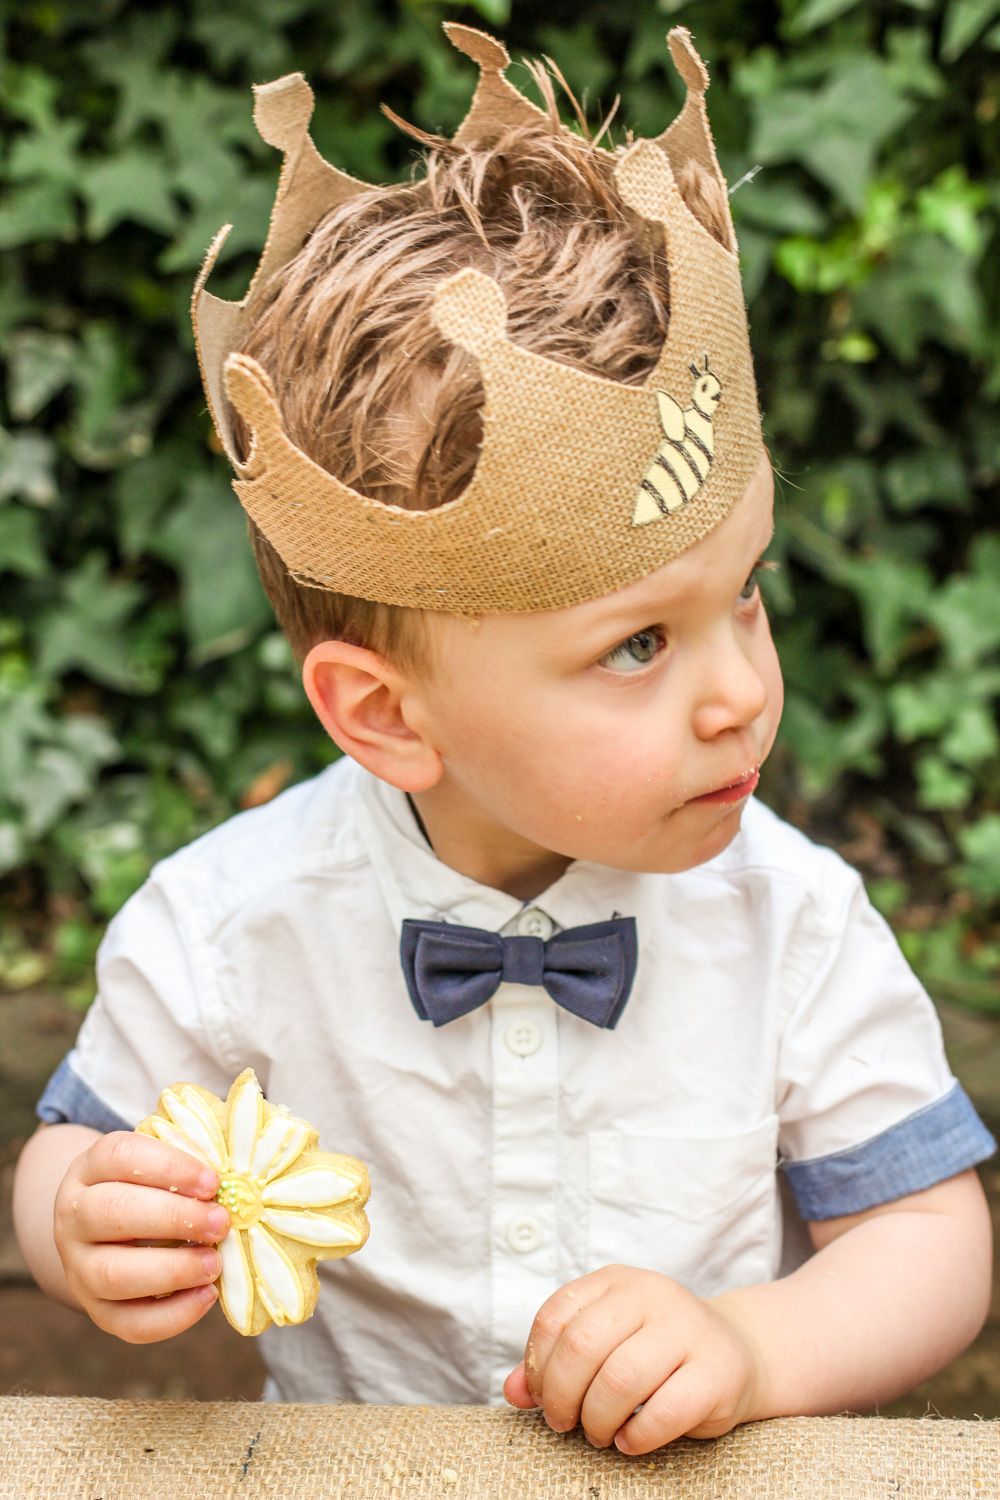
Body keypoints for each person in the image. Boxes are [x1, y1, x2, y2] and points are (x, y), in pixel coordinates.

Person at [13, 25, 994, 1455]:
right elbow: (65, 1160)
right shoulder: (230, 928)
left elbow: (932, 1240)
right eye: (640, 645)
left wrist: (749, 1343)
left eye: (748, 596)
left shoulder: (794, 927)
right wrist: (79, 1221)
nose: (741, 695)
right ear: (387, 717)